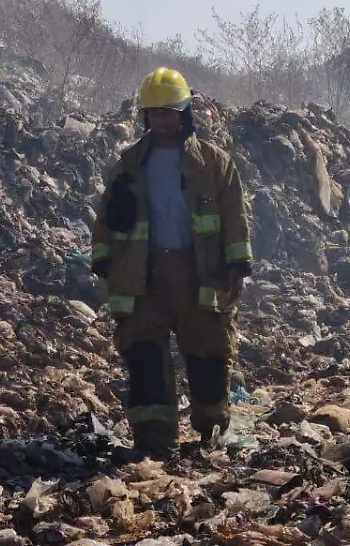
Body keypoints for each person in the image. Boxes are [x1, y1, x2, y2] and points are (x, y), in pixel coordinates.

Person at [89, 67, 252, 456]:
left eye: (168, 113)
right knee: (144, 357)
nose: (161, 121)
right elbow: (106, 217)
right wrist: (103, 258)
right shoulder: (130, 164)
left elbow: (234, 215)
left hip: (199, 274)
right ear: (145, 116)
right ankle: (154, 443)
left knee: (209, 353)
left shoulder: (213, 163)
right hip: (142, 278)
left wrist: (238, 264)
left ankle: (212, 431)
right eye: (154, 113)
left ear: (184, 113)